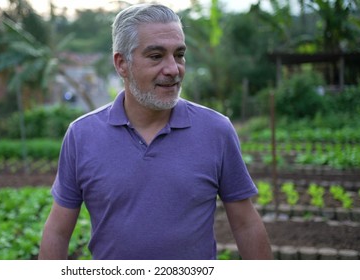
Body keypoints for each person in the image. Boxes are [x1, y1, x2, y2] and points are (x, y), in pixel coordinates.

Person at [38, 3, 272, 260]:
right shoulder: (82, 135)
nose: (173, 69)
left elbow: (245, 224)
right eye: (156, 56)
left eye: (179, 54)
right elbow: (58, 232)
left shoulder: (216, 131)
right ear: (122, 64)